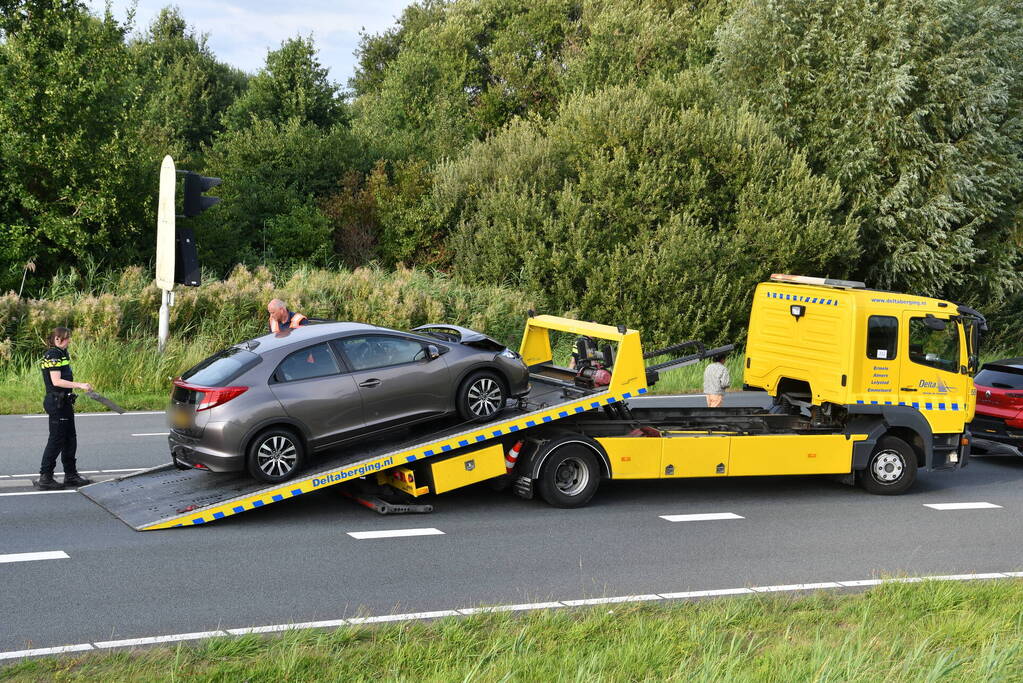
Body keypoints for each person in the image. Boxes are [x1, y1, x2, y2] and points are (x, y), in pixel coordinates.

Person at [34, 327, 94, 490]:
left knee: (70, 439)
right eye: (67, 338)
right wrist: (80, 385)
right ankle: (45, 477)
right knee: (56, 439)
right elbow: (56, 381)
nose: (70, 341)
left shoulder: (62, 353)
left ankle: (71, 475)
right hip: (56, 402)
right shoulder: (53, 355)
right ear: (58, 339)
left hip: (64, 401)